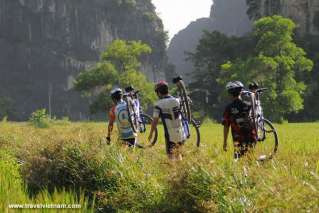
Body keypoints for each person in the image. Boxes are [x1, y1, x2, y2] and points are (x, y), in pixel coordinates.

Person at [148, 80, 186, 160]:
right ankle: (181, 171)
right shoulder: (176, 100)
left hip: (170, 134)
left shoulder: (158, 104)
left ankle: (173, 172)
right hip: (181, 132)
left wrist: (151, 133)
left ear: (158, 92)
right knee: (179, 155)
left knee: (171, 157)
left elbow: (155, 121)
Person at [222, 81, 257, 159]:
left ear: (230, 94)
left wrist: (225, 142)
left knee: (239, 161)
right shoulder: (247, 105)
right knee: (250, 159)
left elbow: (226, 126)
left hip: (238, 140)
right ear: (240, 92)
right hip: (252, 137)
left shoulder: (229, 108)